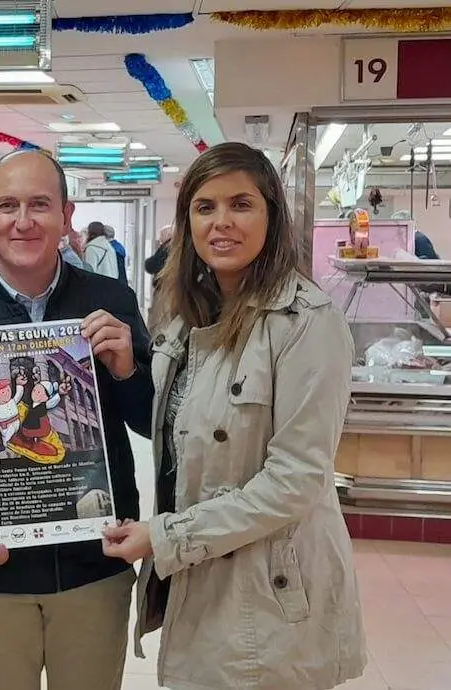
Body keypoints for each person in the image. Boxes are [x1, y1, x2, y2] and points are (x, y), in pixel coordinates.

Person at [101, 142, 367, 690]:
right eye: (205, 207)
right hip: (203, 576)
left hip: (270, 593)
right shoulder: (182, 320)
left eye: (241, 204)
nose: (222, 222)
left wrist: (165, 536)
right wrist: (130, 370)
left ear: (272, 215)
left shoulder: (307, 324)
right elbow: (179, 439)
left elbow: (296, 480)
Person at [0, 149, 155, 690]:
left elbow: (148, 424)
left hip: (94, 564)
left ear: (66, 215)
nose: (24, 221)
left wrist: (130, 368)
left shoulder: (110, 301)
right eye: (8, 205)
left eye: (40, 205)